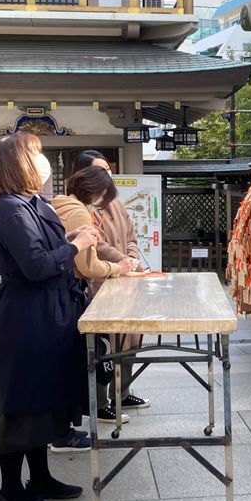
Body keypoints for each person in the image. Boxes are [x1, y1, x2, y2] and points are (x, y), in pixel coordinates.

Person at [0, 133, 100, 501]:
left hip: (50, 310)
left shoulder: (34, 203)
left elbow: (44, 248)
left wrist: (71, 235)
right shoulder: (9, 207)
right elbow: (35, 266)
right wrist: (77, 245)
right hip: (27, 315)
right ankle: (11, 491)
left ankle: (40, 479)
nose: (43, 161)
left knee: (45, 397)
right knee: (24, 400)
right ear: (19, 163)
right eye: (36, 155)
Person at [49, 165, 134, 449]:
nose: (102, 202)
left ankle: (61, 428)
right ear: (94, 190)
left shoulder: (59, 203)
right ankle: (62, 430)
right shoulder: (78, 211)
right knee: (79, 357)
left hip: (55, 291)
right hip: (69, 291)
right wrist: (116, 268)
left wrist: (122, 260)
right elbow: (86, 264)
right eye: (102, 195)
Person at [71, 151, 150, 420]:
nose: (108, 175)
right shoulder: (82, 206)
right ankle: (102, 401)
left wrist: (132, 256)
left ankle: (123, 394)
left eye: (108, 169)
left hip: (126, 279)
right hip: (100, 281)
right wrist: (122, 261)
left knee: (130, 338)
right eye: (101, 170)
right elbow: (97, 245)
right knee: (105, 342)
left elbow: (130, 234)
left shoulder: (114, 200)